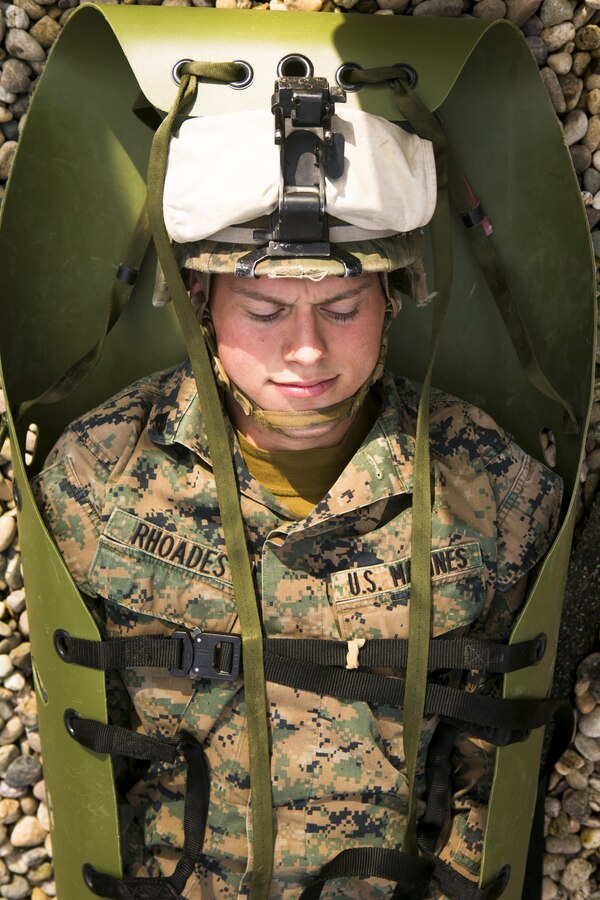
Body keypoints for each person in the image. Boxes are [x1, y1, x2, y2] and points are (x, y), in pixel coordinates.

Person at [31, 90, 563, 898]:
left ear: (393, 304)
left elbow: (496, 763)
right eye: (266, 308)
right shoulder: (101, 474)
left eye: (343, 307)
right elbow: (84, 744)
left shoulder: (484, 480)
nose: (307, 349)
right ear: (202, 305)